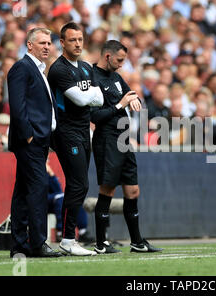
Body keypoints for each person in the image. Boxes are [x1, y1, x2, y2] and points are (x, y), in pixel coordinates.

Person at [91, 40, 162, 254]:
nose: (122, 64)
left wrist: (134, 100)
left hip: (124, 139)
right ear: (107, 57)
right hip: (106, 139)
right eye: (120, 60)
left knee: (133, 190)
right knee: (108, 189)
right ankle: (101, 243)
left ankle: (137, 242)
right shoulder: (92, 78)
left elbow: (131, 94)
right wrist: (121, 104)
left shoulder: (116, 77)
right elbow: (95, 116)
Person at [47, 22, 103, 256]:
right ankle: (68, 238)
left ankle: (69, 237)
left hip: (83, 130)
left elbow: (99, 98)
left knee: (79, 184)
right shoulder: (59, 69)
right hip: (65, 132)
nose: (78, 44)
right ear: (62, 42)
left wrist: (87, 95)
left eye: (80, 39)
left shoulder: (86, 68)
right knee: (79, 183)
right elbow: (81, 100)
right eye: (72, 40)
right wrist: (88, 96)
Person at [7, 27, 62, 258]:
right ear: (30, 45)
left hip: (38, 141)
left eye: (49, 43)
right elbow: (18, 107)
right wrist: (30, 136)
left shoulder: (38, 70)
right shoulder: (23, 67)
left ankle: (19, 244)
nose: (47, 47)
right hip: (30, 141)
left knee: (22, 191)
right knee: (38, 189)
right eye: (42, 43)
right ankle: (39, 243)